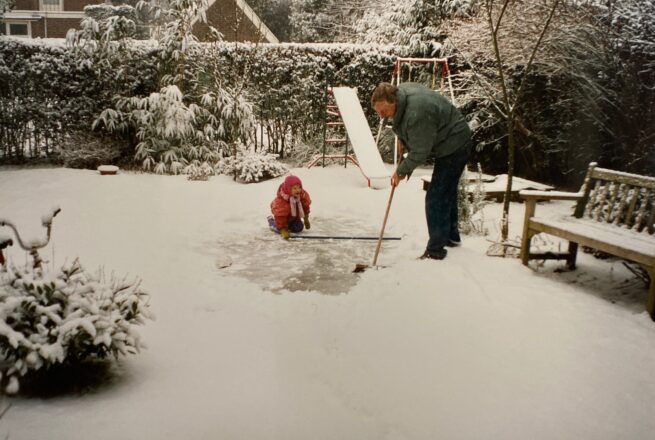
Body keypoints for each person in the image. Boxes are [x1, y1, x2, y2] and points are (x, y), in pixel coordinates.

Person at [371, 82, 472, 260]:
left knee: (436, 196)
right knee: (446, 191)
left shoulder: (416, 113)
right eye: (379, 112)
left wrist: (400, 171)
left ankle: (435, 251)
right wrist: (403, 138)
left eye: (384, 112)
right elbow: (406, 127)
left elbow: (420, 152)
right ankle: (451, 237)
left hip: (454, 144)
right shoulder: (402, 95)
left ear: (393, 101)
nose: (382, 116)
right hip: (450, 138)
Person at [269, 175, 311, 240]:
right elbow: (280, 216)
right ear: (288, 189)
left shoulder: (302, 196)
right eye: (295, 188)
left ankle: (288, 226)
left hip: (293, 217)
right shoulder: (281, 202)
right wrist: (282, 229)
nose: (298, 190)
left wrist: (306, 219)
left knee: (299, 228)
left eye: (299, 187)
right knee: (278, 228)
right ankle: (271, 221)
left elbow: (305, 206)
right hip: (282, 219)